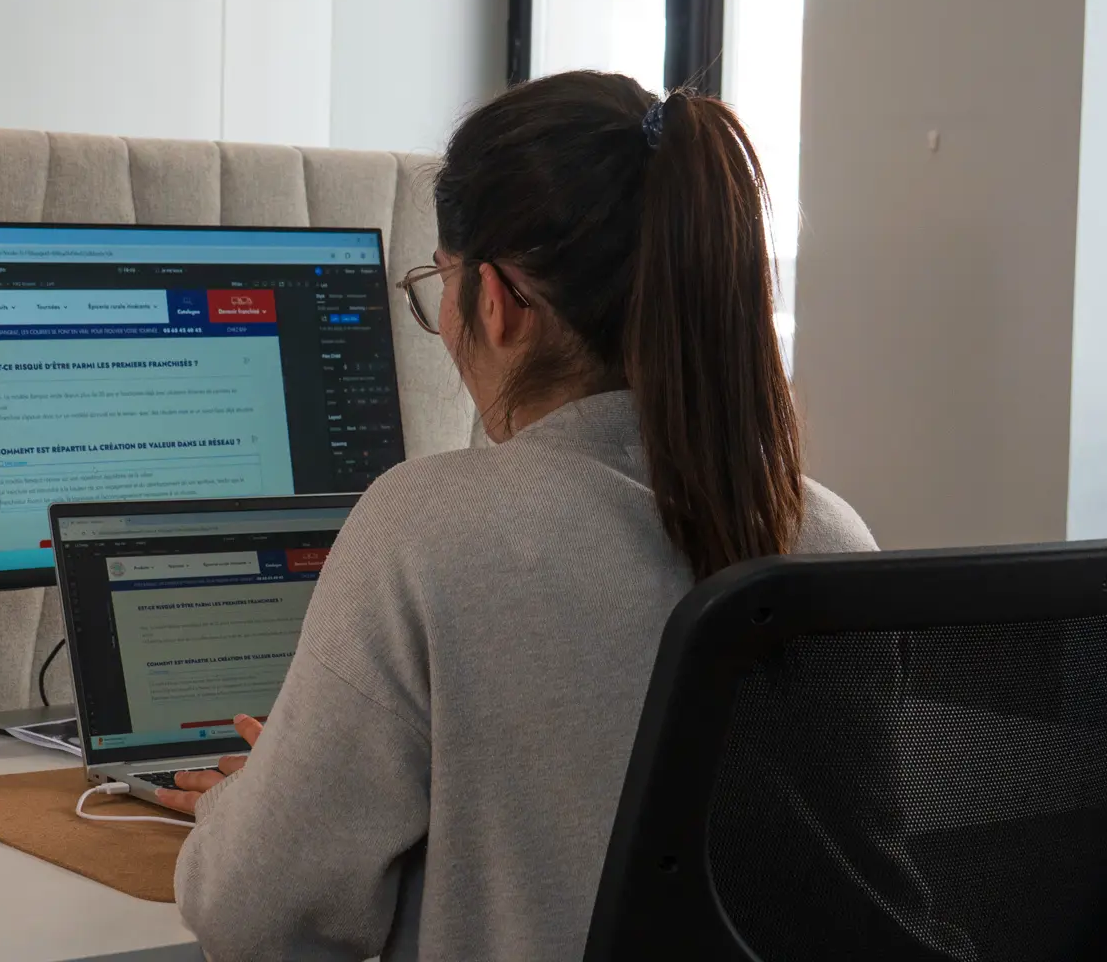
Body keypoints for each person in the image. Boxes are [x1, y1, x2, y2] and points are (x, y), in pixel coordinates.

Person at [160, 71, 878, 960]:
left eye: (439, 286)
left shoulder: (427, 531)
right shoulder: (832, 540)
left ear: (494, 303)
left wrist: (250, 806)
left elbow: (256, 914)